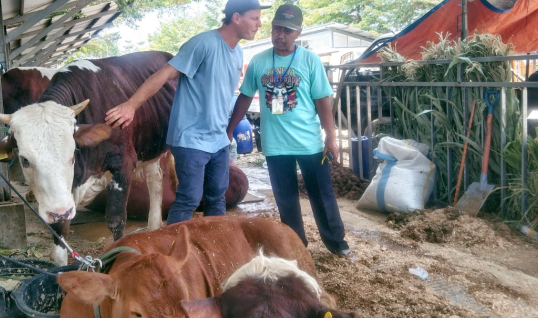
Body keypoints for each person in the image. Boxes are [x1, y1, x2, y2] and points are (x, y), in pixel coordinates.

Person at [104, 0, 269, 225]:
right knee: (189, 198)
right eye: (255, 18)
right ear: (237, 17)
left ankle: (212, 248)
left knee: (217, 197)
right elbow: (163, 75)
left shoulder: (237, 52)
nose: (259, 24)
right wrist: (131, 105)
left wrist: (228, 131)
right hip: (191, 138)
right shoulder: (202, 44)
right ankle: (174, 253)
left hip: (218, 139)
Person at [227, 4, 357, 261]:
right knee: (286, 201)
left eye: (287, 30)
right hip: (276, 146)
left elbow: (323, 101)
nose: (280, 35)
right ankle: (296, 247)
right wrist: (229, 129)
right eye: (277, 28)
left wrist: (331, 138)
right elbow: (244, 97)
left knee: (323, 196)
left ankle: (337, 243)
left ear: (298, 32)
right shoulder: (259, 61)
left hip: (310, 144)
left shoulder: (309, 61)